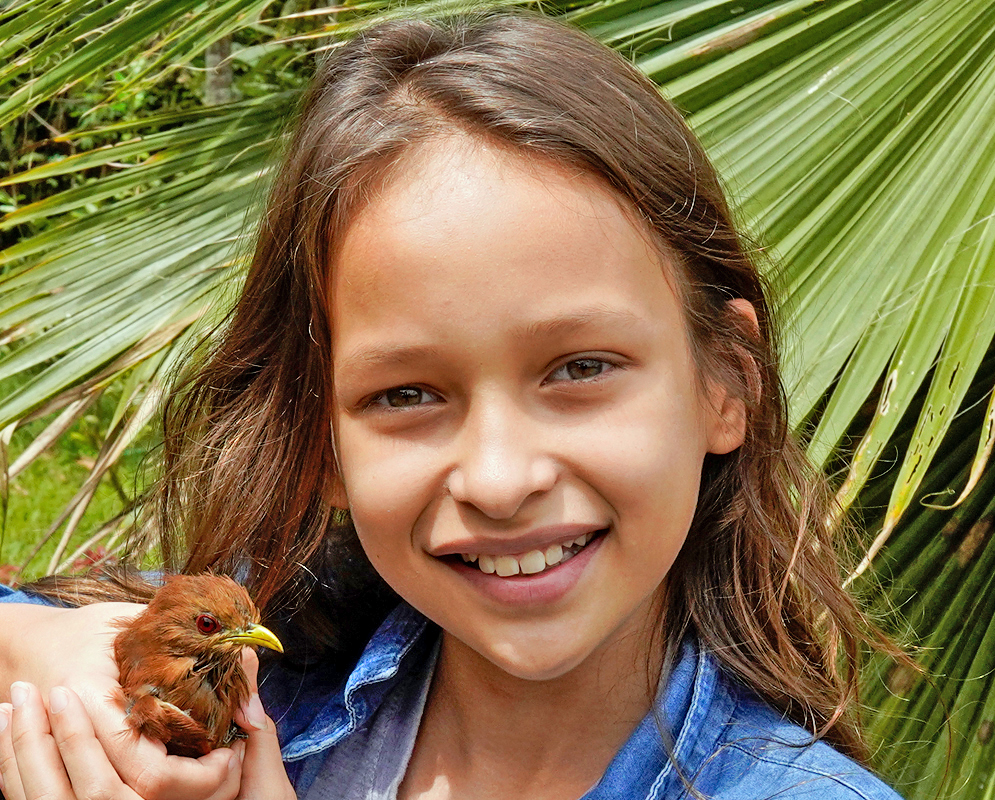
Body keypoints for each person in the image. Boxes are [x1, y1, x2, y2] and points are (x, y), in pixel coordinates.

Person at [0, 10, 908, 800]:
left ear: (727, 382)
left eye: (581, 367)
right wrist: (41, 649)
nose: (500, 479)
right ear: (323, 448)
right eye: (406, 393)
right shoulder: (274, 668)